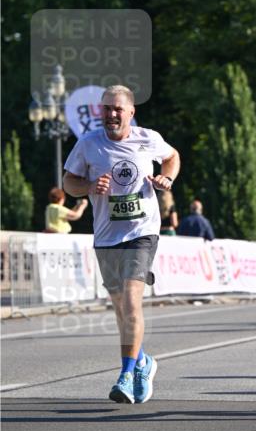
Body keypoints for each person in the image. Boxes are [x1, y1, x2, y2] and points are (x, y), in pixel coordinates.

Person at [63, 85, 180, 403]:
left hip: (142, 232)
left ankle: (126, 375)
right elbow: (68, 182)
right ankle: (143, 361)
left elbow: (171, 157)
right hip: (106, 236)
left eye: (118, 109)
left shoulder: (148, 138)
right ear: (100, 112)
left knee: (130, 303)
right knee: (121, 311)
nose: (112, 114)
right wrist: (88, 186)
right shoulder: (88, 144)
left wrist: (167, 178)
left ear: (131, 112)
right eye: (107, 109)